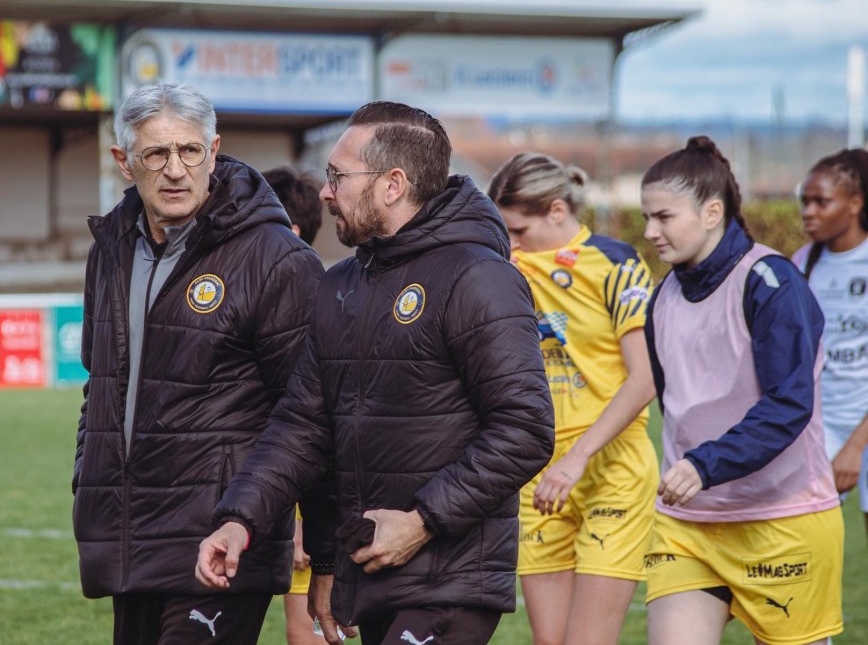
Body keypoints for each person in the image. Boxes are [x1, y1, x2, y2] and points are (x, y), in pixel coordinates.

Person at [196, 101, 555, 645]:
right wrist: (239, 519)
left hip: (449, 579)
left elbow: (525, 428)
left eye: (338, 176)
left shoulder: (479, 276)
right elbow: (301, 427)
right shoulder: (340, 284)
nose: (325, 192)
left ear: (393, 184)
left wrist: (421, 522)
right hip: (374, 571)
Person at [71, 82, 325, 645]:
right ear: (123, 161)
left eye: (189, 151)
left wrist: (320, 537)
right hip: (130, 536)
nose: (174, 170)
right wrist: (86, 478)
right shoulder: (109, 249)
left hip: (226, 536)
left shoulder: (276, 258)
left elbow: (313, 413)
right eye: (155, 154)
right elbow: (101, 385)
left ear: (213, 151)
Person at [640, 136, 843, 645]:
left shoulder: (771, 281)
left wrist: (705, 464)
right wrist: (692, 469)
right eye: (646, 217)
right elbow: (673, 402)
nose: (650, 232)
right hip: (687, 523)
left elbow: (789, 404)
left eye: (663, 217)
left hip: (783, 519)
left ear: (712, 212)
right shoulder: (662, 297)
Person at [488, 153, 657, 645]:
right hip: (536, 471)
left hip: (611, 470)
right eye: (504, 232)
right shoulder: (502, 267)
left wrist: (578, 458)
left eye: (519, 230)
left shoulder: (616, 262)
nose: (512, 243)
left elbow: (647, 377)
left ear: (557, 211)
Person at [793, 147, 868, 545]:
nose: (809, 212)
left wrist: (856, 447)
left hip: (863, 423)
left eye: (821, 202)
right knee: (801, 543)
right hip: (821, 425)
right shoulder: (803, 261)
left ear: (855, 204)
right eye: (805, 201)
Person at [262, 165, 324, 645]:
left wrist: (304, 524)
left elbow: (314, 419)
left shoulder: (312, 299)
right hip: (257, 496)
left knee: (310, 632)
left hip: (300, 508)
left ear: (291, 231)